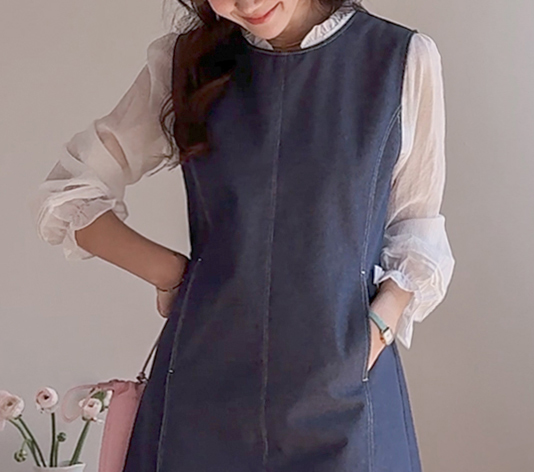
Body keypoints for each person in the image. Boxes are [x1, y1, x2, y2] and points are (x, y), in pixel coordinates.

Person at [31, 0, 456, 470]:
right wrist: (169, 272)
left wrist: (377, 330)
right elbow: (70, 191)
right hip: (202, 395)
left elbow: (416, 223)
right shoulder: (185, 63)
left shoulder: (400, 59)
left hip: (348, 397)